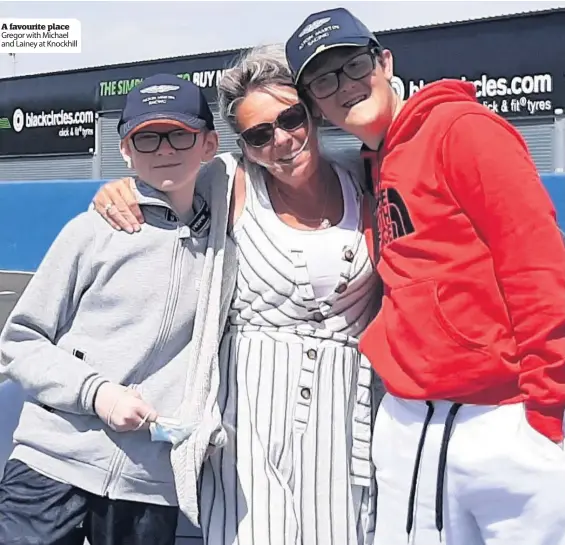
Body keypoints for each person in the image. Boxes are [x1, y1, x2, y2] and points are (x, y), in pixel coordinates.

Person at [284, 7, 565, 545]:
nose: (344, 88)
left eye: (353, 67)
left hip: (504, 417)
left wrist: (547, 410)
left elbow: (537, 266)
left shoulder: (462, 129)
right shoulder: (372, 163)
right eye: (324, 80)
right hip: (418, 419)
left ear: (384, 62)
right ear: (315, 105)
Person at [91, 45, 382, 545]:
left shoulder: (362, 178)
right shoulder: (227, 183)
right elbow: (159, 183)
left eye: (291, 119)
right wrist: (115, 191)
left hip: (347, 416)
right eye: (260, 134)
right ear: (244, 145)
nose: (282, 141)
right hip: (247, 421)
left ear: (311, 114)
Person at [0, 73, 238, 545]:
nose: (164, 148)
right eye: (146, 138)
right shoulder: (91, 231)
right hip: (49, 463)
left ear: (208, 144)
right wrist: (97, 395)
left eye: (180, 134)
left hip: (148, 483)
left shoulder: (226, 241)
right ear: (126, 150)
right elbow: (20, 343)